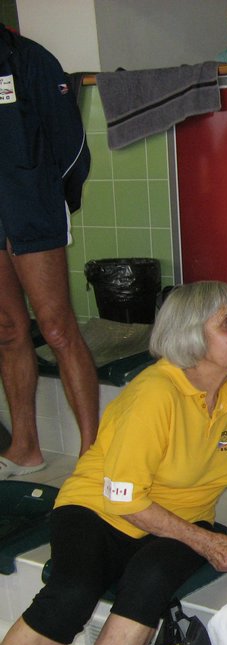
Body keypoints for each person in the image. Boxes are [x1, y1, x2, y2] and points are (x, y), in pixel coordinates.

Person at [0, 281, 227, 645]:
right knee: (71, 593)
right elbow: (124, 499)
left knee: (151, 579)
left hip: (180, 520)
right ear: (191, 336)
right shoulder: (153, 395)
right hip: (100, 508)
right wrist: (207, 543)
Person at [0, 24, 99, 481]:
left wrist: (48, 200)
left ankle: (93, 453)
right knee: (7, 330)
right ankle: (25, 448)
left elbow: (72, 142)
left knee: (58, 330)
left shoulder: (30, 60)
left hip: (33, 209)